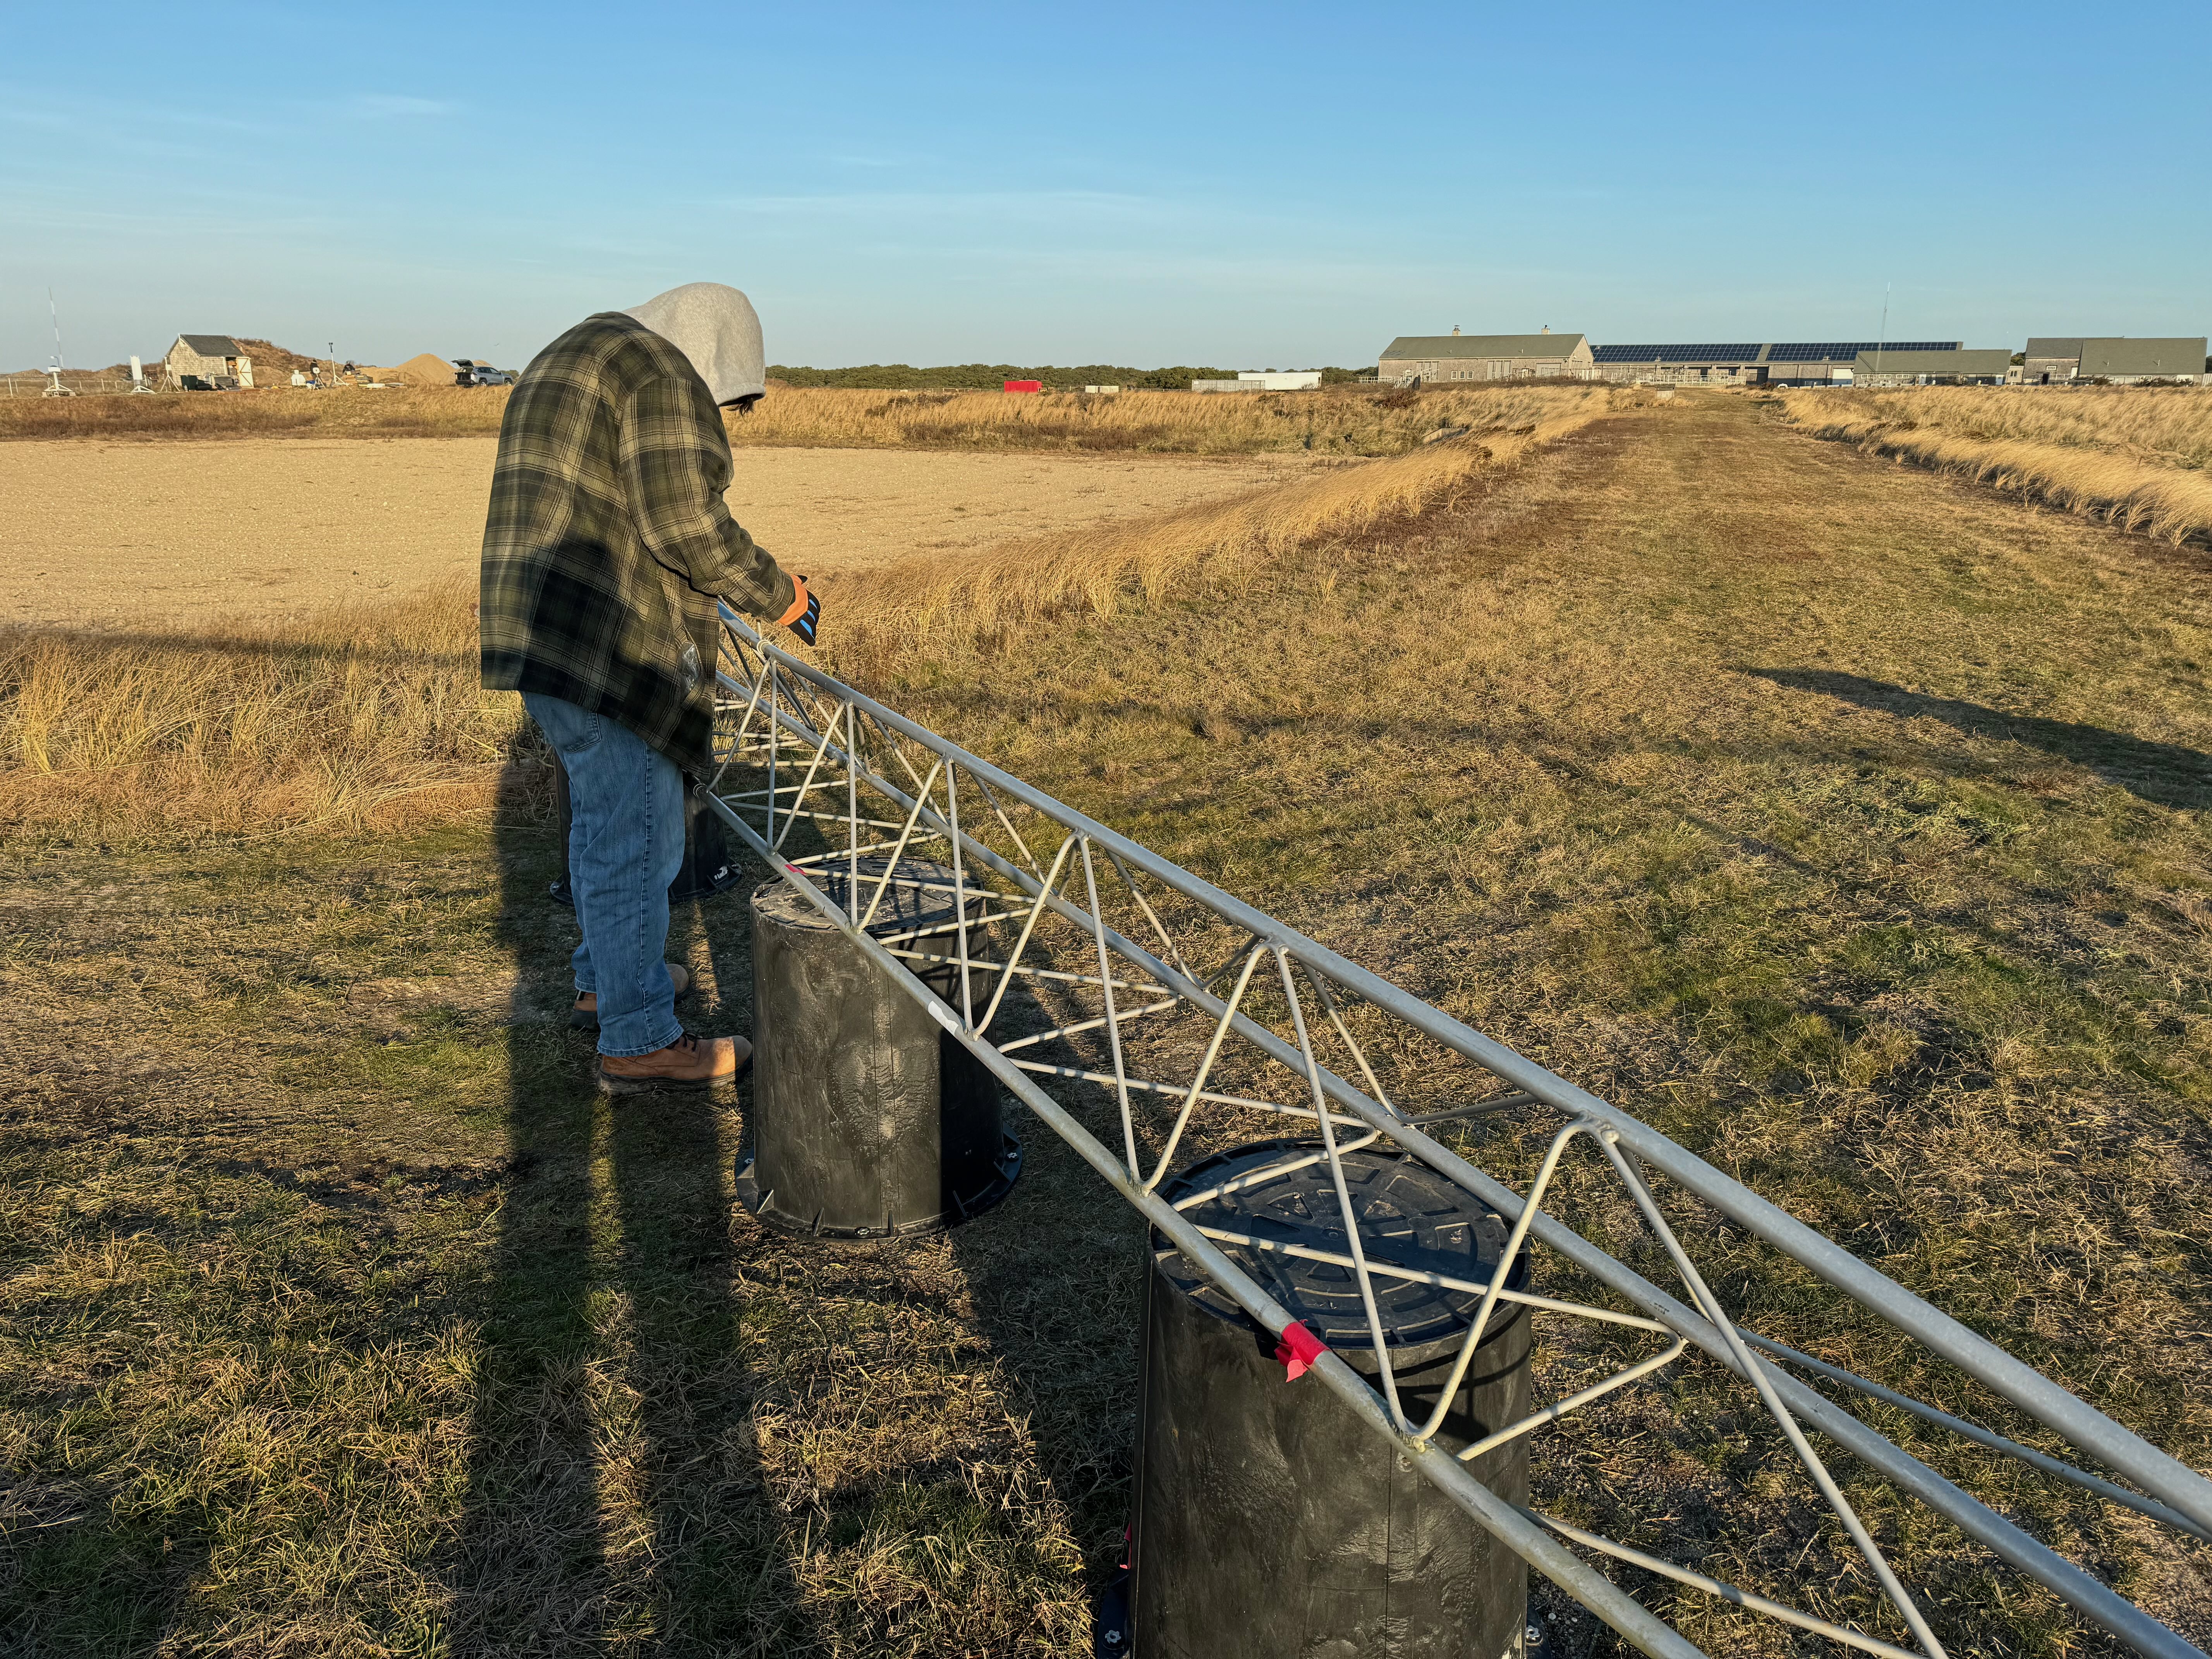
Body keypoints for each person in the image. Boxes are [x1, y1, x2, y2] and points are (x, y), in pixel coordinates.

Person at [480, 282, 821, 1094]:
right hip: (610, 644)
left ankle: (608, 981)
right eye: (729, 394)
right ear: (714, 352)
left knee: (613, 823)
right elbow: (685, 523)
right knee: (635, 837)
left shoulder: (574, 352)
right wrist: (784, 596)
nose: (723, 408)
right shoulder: (662, 376)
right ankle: (638, 1041)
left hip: (542, 632)